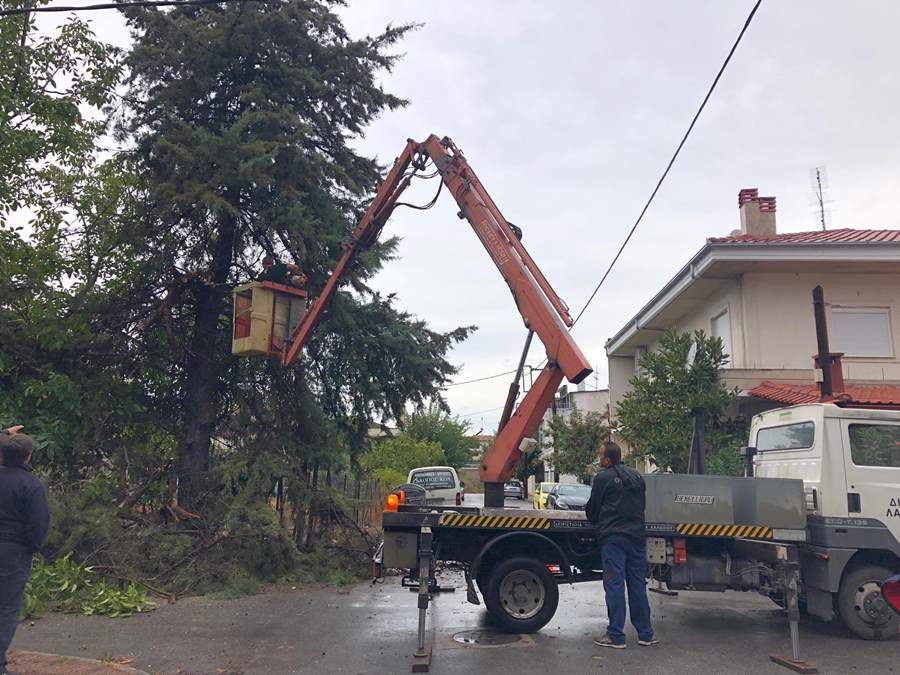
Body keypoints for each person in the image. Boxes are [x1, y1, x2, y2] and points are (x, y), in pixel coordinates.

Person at [585, 441, 657, 649]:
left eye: (601, 455)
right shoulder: (637, 477)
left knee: (614, 583)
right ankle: (645, 634)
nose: (599, 459)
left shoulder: (603, 478)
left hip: (614, 538)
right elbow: (642, 506)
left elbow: (592, 511)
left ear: (607, 459)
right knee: (637, 585)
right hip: (636, 537)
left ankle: (616, 635)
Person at [0, 431, 49, 675]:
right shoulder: (30, 484)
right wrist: (33, 547)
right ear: (28, 456)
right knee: (7, 607)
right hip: (14, 551)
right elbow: (38, 523)